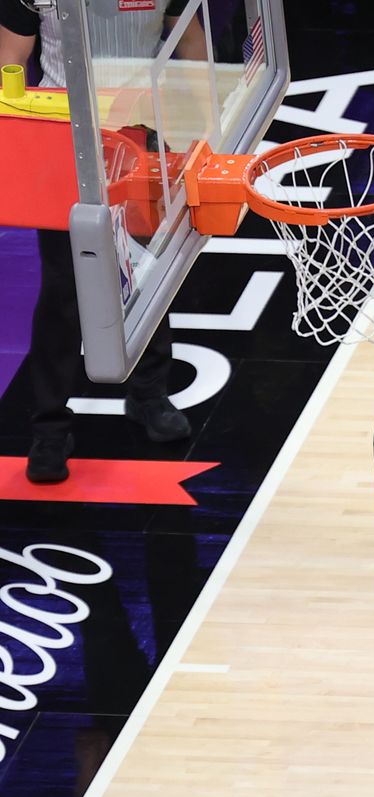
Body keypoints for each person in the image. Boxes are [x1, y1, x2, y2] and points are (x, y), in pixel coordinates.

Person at [0, 0, 206, 483]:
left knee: (147, 269)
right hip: (63, 135)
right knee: (63, 288)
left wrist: (203, 122)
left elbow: (192, 42)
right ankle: (49, 427)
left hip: (145, 132)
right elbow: (9, 58)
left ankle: (149, 394)